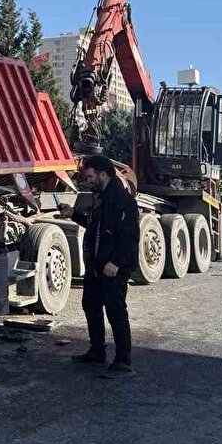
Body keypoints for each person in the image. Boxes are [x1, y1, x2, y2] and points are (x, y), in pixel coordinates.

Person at [69, 154, 140, 378]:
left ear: (103, 174)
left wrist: (116, 262)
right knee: (90, 304)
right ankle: (97, 351)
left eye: (90, 176)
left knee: (116, 311)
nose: (87, 181)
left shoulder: (122, 199)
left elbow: (130, 236)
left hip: (113, 267)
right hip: (97, 266)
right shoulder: (101, 198)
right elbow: (95, 228)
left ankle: (123, 361)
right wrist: (72, 215)